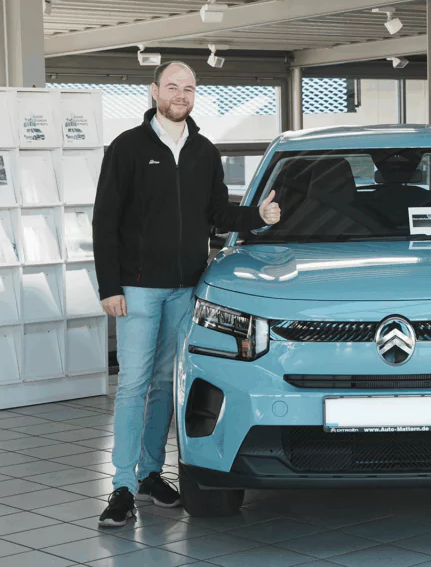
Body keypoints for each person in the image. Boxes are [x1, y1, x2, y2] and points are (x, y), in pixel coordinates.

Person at [93, 61, 281, 527]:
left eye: (189, 88)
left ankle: (150, 474)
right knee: (133, 384)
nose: (181, 95)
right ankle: (119, 486)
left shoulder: (203, 151)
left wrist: (259, 215)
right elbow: (104, 220)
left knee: (162, 385)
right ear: (155, 91)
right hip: (136, 289)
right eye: (173, 87)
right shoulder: (128, 148)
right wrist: (109, 287)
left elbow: (217, 212)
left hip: (185, 289)